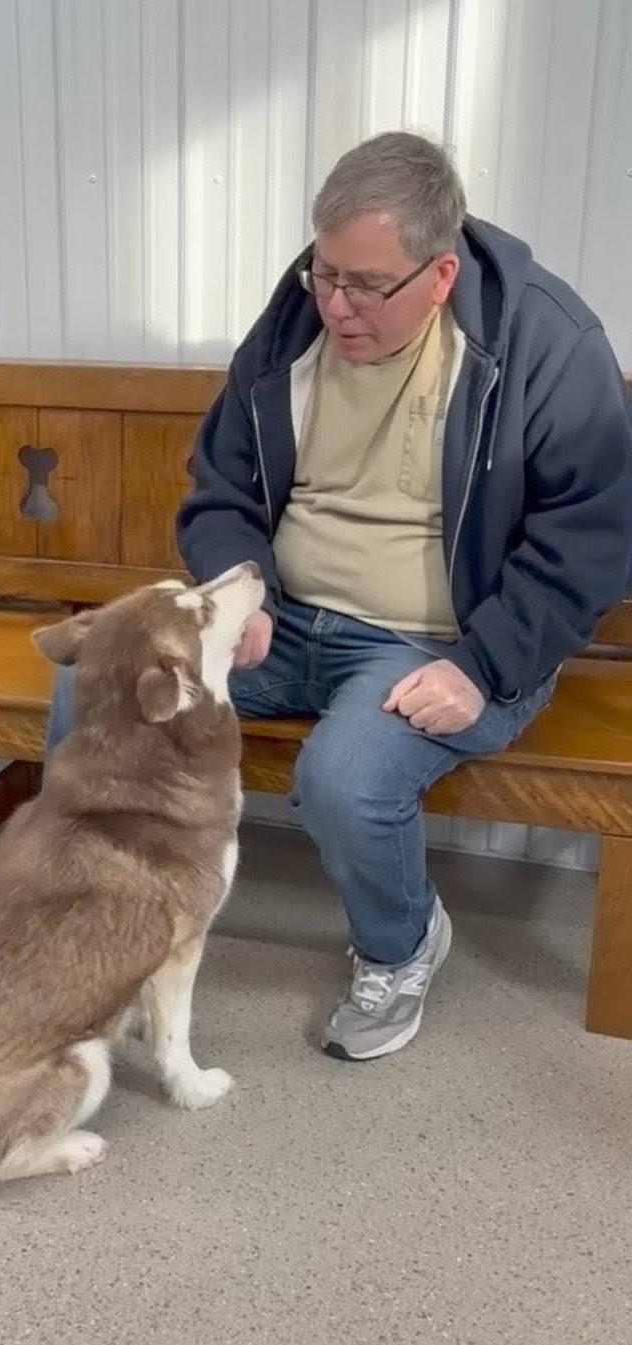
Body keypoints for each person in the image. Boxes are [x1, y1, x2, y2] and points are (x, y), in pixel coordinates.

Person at [47, 130, 632, 1061]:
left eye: (365, 285)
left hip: (443, 641)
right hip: (282, 616)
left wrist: (482, 666)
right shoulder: (294, 323)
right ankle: (100, 920)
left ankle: (401, 947)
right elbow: (222, 488)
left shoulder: (549, 344)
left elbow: (594, 536)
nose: (335, 304)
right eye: (325, 273)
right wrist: (246, 591)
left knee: (345, 779)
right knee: (93, 688)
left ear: (440, 275)